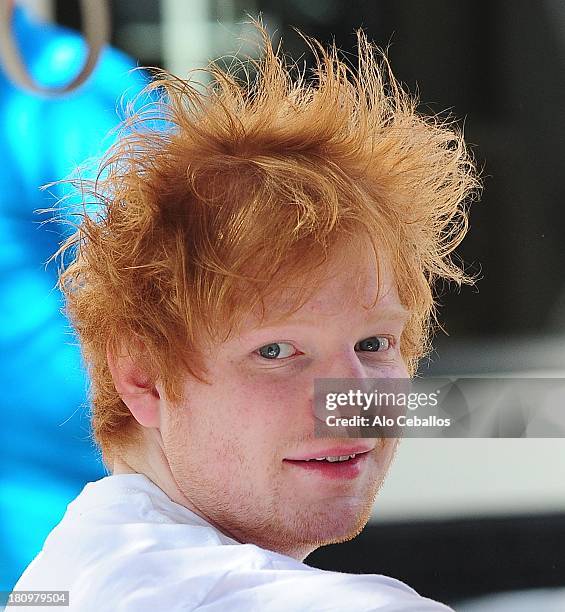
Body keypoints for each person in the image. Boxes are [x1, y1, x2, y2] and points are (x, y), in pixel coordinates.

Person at [12, 23, 479, 611]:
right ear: (142, 376)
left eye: (373, 344)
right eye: (277, 352)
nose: (349, 397)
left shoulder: (80, 571)